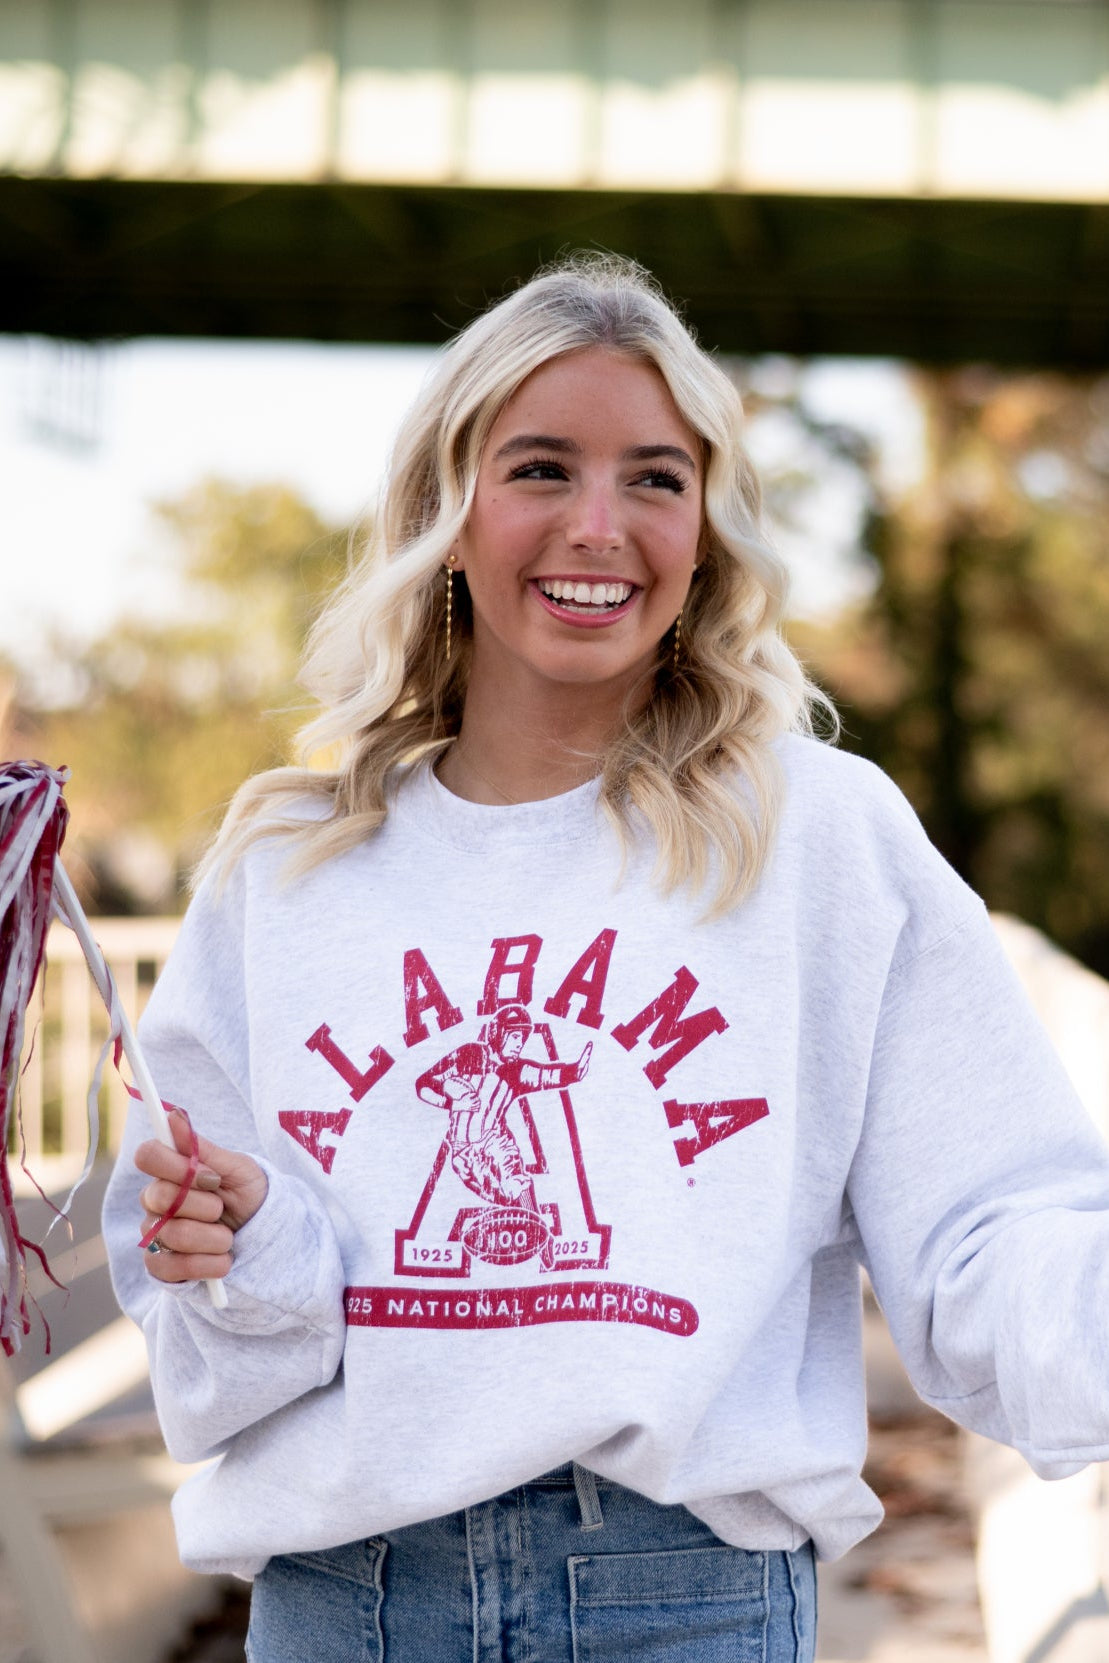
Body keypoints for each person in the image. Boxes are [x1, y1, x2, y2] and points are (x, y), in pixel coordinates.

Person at [102, 253, 1109, 1663]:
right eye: (539, 470)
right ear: (447, 513)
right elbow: (206, 1330)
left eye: (653, 478)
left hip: (679, 1602)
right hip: (343, 1600)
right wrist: (239, 1241)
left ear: (703, 533)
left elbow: (987, 1226)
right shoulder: (289, 866)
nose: (598, 526)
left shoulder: (815, 836)